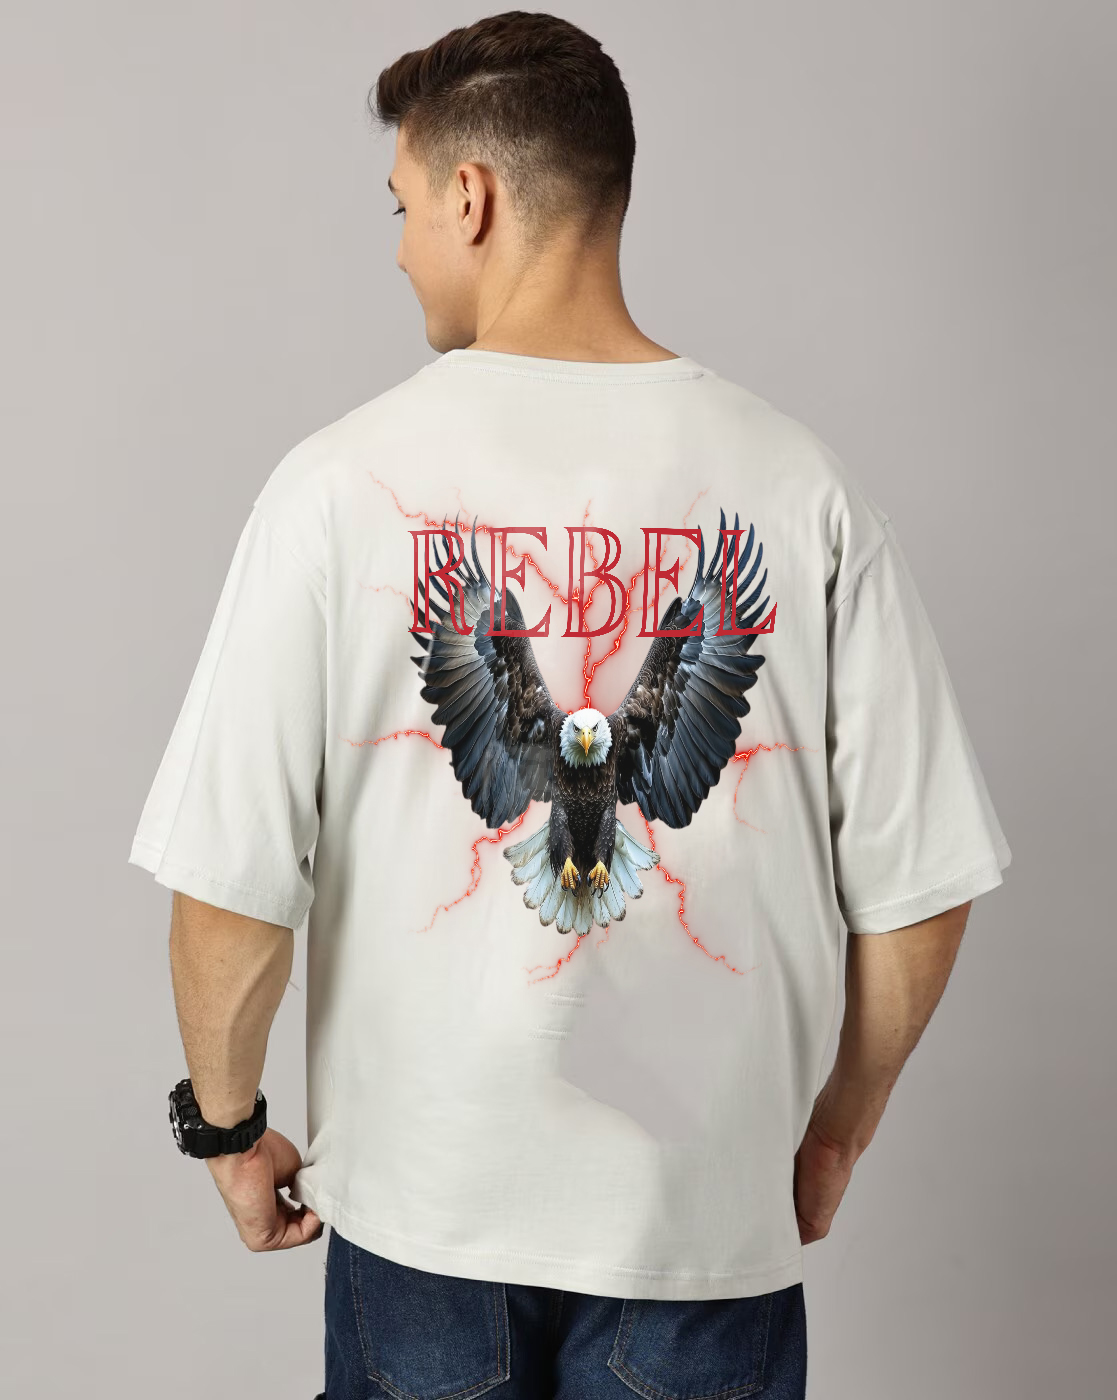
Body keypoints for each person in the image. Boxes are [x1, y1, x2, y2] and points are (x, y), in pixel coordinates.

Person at [127, 11, 1012, 1398]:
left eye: (402, 206)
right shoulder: (800, 488)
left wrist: (227, 1133)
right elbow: (919, 889)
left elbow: (230, 894)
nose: (398, 249)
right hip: (700, 1226)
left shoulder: (334, 488)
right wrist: (834, 1130)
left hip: (425, 1220)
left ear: (470, 198)